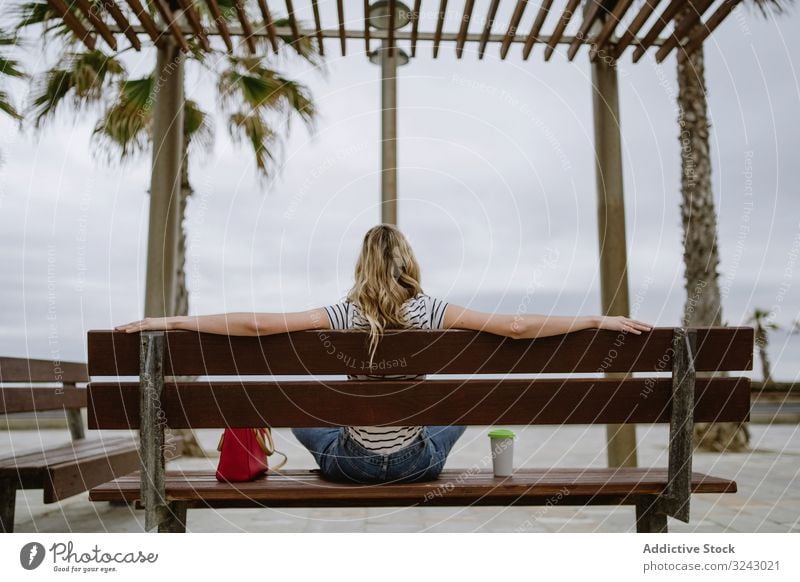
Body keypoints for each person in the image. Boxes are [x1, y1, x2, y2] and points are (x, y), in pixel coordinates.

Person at [115, 224, 652, 484]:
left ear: (361, 267)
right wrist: (593, 319)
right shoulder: (433, 310)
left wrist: (172, 320)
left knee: (297, 408)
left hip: (348, 463)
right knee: (465, 400)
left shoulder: (343, 315)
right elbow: (514, 327)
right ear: (409, 263)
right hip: (418, 464)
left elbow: (257, 325)